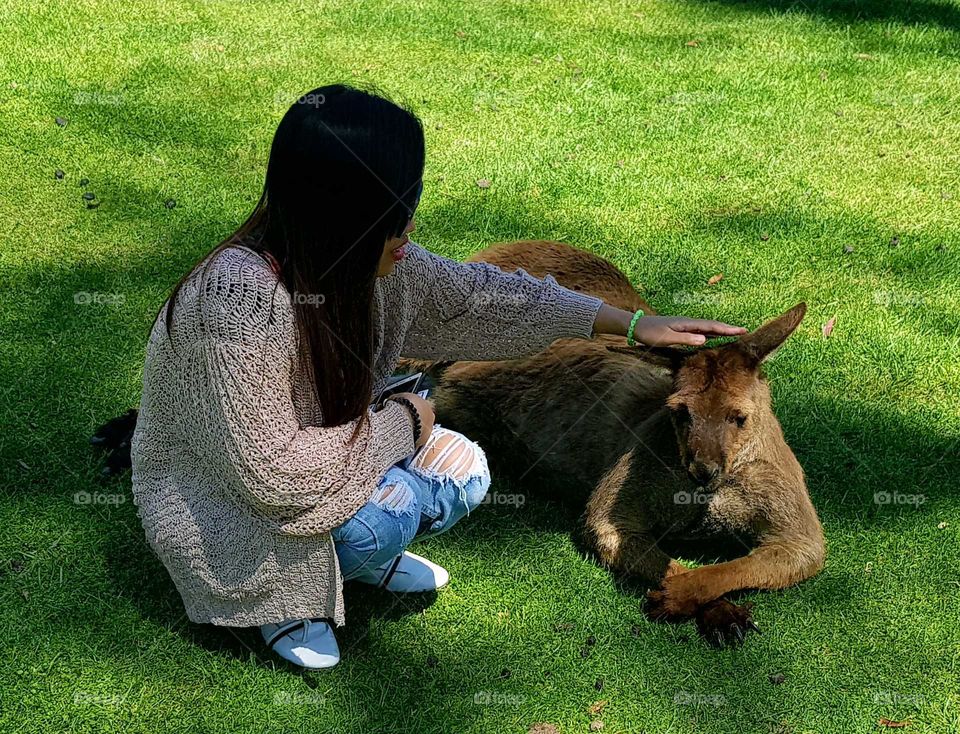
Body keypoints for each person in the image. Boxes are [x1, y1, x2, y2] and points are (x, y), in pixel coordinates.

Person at [130, 84, 746, 670]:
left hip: (334, 451)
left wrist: (629, 323)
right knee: (383, 518)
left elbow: (480, 298)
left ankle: (348, 561)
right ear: (340, 214)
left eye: (409, 205)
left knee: (466, 473)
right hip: (230, 511)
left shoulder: (366, 263)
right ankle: (281, 603)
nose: (410, 229)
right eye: (396, 213)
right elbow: (276, 476)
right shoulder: (238, 296)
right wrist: (403, 423)